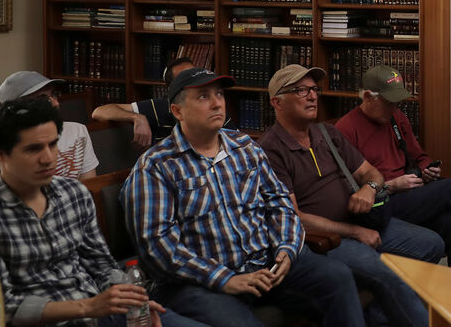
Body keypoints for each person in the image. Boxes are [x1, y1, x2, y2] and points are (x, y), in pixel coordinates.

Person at [122, 68, 365, 327]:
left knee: (336, 276)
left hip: (265, 265)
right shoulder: (156, 166)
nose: (217, 103)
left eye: (219, 94)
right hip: (200, 282)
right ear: (178, 111)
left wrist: (286, 248)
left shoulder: (245, 146)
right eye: (203, 97)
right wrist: (224, 278)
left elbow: (279, 202)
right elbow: (158, 247)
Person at [0, 96, 206, 326]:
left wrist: (132, 300)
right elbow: (1, 307)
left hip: (100, 311)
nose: (48, 158)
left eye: (53, 144)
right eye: (33, 149)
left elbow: (100, 265)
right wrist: (86, 307)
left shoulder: (73, 193)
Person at [258, 64, 439, 327]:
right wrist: (354, 232)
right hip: (325, 240)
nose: (312, 96)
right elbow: (294, 219)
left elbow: (372, 174)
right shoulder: (270, 151)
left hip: (361, 219)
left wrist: (370, 189)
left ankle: (376, 317)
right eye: (300, 91)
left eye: (314, 89)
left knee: (431, 244)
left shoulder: (326, 134)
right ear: (277, 102)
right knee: (385, 272)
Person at [337, 65, 451, 273]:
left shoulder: (396, 118)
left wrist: (427, 169)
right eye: (389, 103)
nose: (395, 108)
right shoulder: (345, 129)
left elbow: (419, 157)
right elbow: (348, 189)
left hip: (409, 195)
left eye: (398, 102)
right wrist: (391, 186)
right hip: (381, 204)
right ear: (367, 97)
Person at [0, 71, 97, 182]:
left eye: (54, 95)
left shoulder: (78, 131)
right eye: (42, 99)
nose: (56, 103)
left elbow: (89, 188)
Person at [91, 57, 194, 148]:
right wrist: (137, 117)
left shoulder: (208, 105)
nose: (195, 81)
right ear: (172, 90)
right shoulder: (162, 106)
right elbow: (99, 112)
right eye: (186, 79)